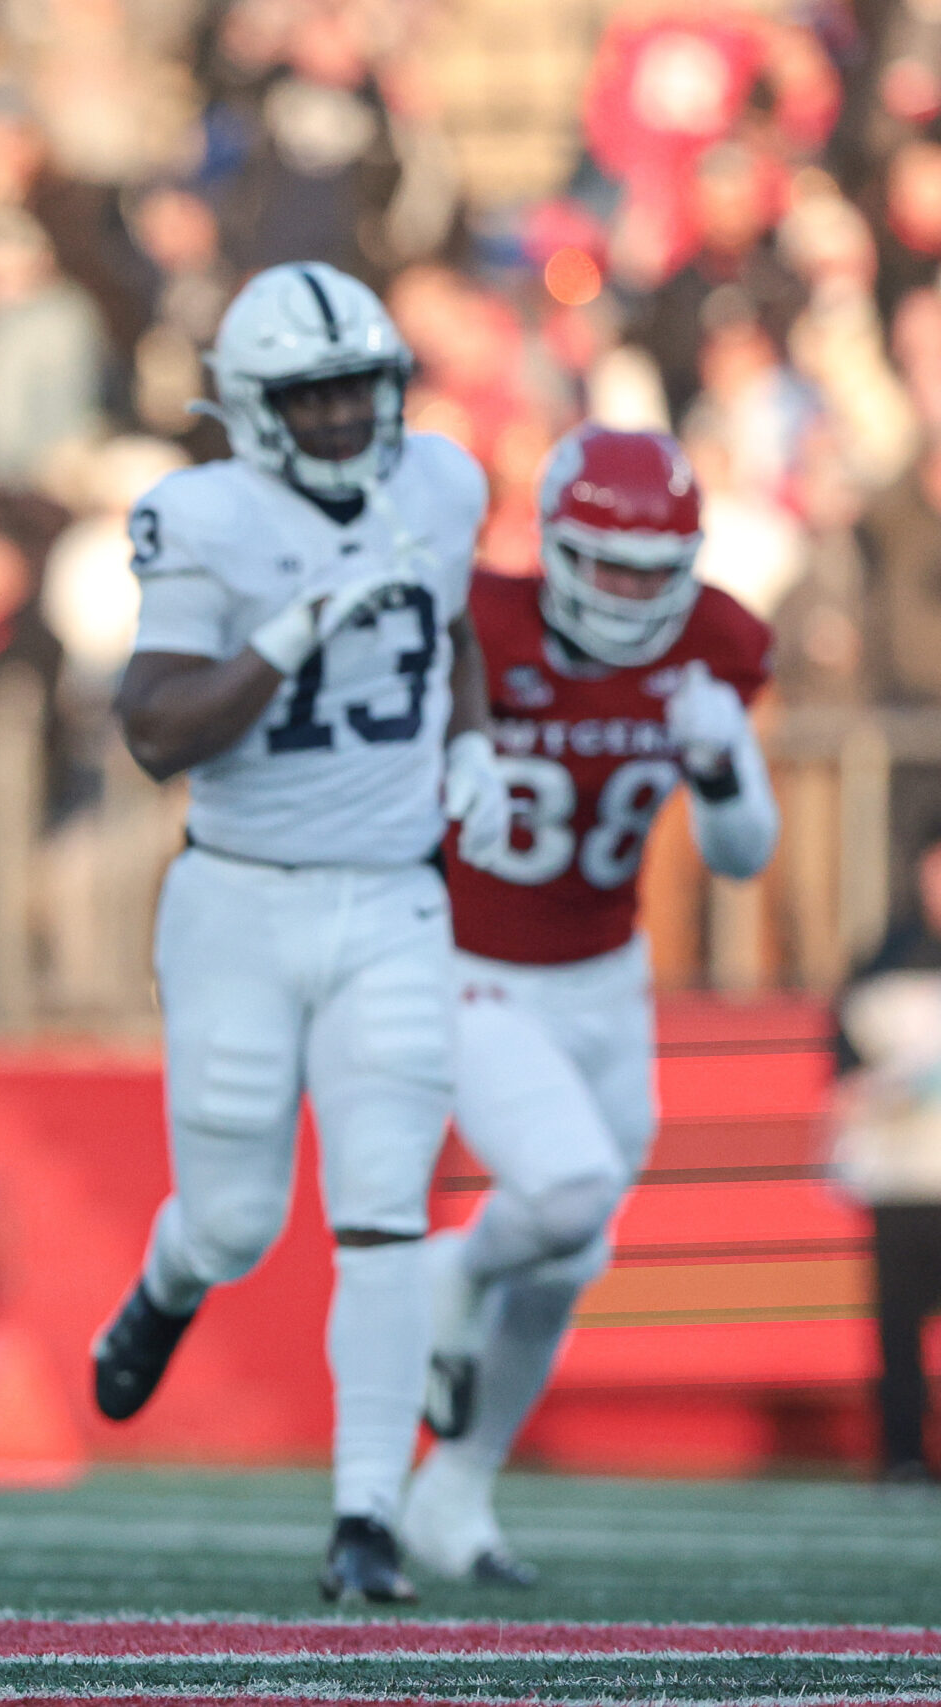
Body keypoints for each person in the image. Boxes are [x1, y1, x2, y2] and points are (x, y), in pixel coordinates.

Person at [90, 261, 510, 1605]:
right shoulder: (203, 520)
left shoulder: (440, 484)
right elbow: (156, 729)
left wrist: (477, 743)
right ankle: (170, 1277)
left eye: (359, 390)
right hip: (242, 896)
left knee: (385, 1207)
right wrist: (284, 638)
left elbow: (449, 629)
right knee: (238, 1217)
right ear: (254, 410)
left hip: (394, 894)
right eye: (313, 395)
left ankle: (366, 1514)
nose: (342, 417)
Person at [405, 427, 776, 1581]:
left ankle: (452, 1498)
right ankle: (453, 1272)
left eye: (651, 572)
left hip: (607, 977)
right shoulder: (473, 614)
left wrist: (718, 768)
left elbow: (744, 853)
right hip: (471, 966)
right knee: (561, 1194)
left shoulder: (719, 641)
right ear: (555, 547)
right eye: (606, 565)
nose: (628, 594)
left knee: (571, 1260)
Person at [833, 839, 941, 1485]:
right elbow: (844, 1074)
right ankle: (902, 1455)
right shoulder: (884, 960)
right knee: (899, 1326)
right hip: (903, 1174)